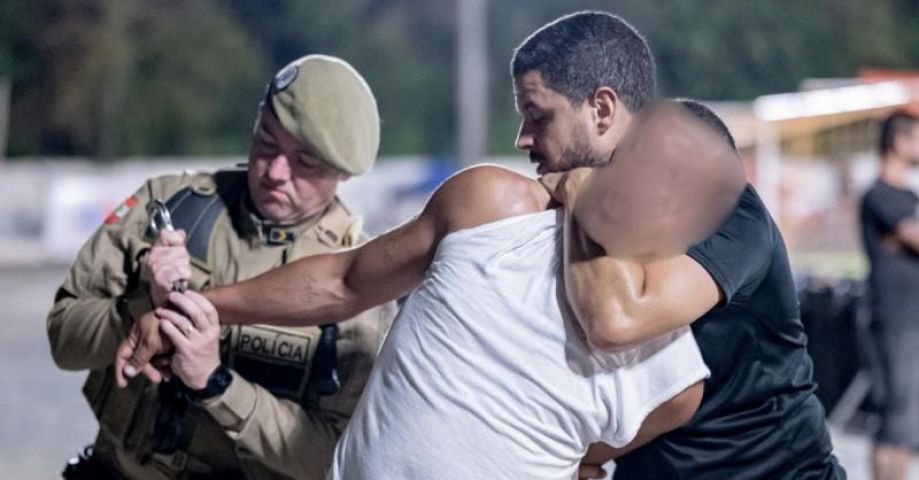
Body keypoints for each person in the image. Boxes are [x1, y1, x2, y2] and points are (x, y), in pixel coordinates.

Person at [121, 99, 741, 478]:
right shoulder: (494, 207)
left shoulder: (675, 382)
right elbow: (343, 280)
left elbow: (581, 459)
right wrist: (204, 306)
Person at [508, 12, 844, 478]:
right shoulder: (567, 214)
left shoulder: (721, 206)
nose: (523, 139)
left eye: (538, 117)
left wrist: (585, 187)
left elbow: (616, 321)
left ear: (602, 110)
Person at [47, 54, 396, 480]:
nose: (274, 171)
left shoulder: (356, 285)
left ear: (342, 173)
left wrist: (217, 385)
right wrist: (141, 308)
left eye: (304, 162)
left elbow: (336, 458)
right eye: (267, 141)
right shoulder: (169, 207)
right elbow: (63, 339)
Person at [860, 111, 919, 480]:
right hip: (893, 318)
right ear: (899, 142)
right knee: (895, 417)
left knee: (907, 416)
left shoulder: (909, 196)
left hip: (911, 317)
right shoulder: (879, 195)